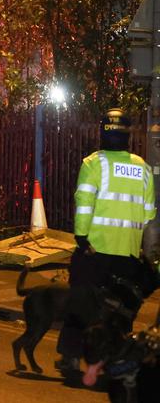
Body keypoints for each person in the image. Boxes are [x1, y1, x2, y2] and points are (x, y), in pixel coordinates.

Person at [56, 108, 156, 375]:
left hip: (94, 250)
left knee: (80, 305)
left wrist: (81, 238)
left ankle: (71, 357)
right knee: (121, 312)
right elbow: (148, 215)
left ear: (102, 132)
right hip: (127, 255)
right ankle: (117, 361)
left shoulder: (93, 163)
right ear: (128, 135)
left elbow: (84, 204)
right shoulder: (143, 168)